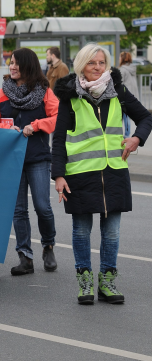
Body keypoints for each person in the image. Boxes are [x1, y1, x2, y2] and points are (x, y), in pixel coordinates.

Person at [52, 43, 152, 305]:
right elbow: (59, 138)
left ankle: (107, 281)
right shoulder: (69, 96)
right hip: (80, 174)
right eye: (91, 63)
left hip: (114, 173)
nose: (97, 67)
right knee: (82, 231)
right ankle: (85, 281)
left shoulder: (117, 91)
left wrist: (136, 140)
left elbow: (146, 118)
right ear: (81, 65)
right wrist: (58, 175)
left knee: (112, 233)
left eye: (101, 63)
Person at [0, 48, 58, 275]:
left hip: (37, 157)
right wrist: (8, 127)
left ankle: (48, 245)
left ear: (28, 65)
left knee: (42, 206)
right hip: (12, 160)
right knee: (18, 210)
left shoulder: (44, 92)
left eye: (17, 63)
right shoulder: (2, 93)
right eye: (11, 62)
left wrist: (36, 125)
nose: (12, 66)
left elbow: (57, 117)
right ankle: (25, 256)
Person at [119, 52, 138, 138]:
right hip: (132, 95)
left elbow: (119, 83)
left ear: (122, 58)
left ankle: (126, 135)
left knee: (125, 116)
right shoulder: (132, 68)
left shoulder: (123, 70)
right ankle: (126, 134)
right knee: (126, 116)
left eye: (120, 57)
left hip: (125, 96)